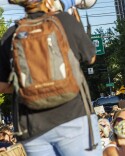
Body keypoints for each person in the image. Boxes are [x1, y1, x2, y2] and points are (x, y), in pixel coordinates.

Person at [0, 0, 101, 155]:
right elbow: (90, 57)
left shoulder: (11, 35)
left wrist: (28, 84)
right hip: (73, 117)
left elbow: (2, 86)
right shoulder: (64, 21)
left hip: (31, 128)